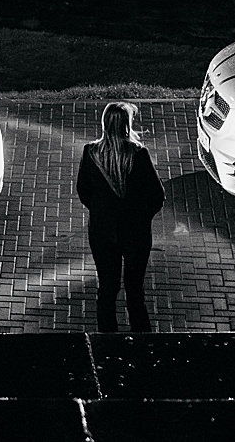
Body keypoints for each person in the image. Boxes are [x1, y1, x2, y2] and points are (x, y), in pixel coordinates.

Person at [76, 100, 165, 332]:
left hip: (103, 233)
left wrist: (100, 211)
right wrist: (141, 217)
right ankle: (142, 342)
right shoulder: (139, 155)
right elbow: (157, 196)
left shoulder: (91, 153)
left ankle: (107, 342)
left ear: (105, 124)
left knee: (107, 288)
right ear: (127, 125)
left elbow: (83, 191)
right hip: (135, 234)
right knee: (135, 290)